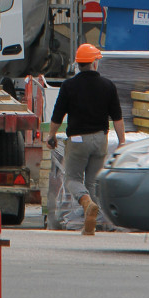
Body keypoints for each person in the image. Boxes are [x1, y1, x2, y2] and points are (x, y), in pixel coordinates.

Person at [47, 43, 126, 235]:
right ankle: (90, 225)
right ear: (94, 63)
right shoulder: (108, 85)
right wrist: (122, 142)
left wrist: (51, 136)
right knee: (91, 183)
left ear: (78, 64)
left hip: (78, 140)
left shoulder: (68, 86)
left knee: (72, 179)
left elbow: (57, 115)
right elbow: (117, 117)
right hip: (101, 140)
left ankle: (86, 202)